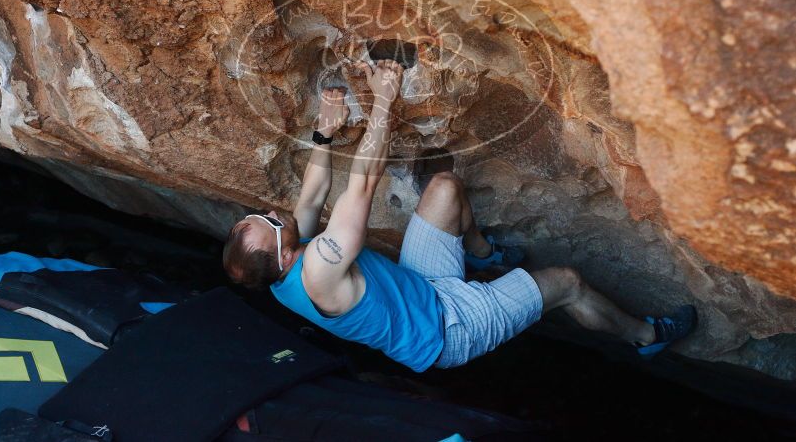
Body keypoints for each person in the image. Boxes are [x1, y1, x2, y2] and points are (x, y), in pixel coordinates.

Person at [222, 59, 696, 372]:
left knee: (446, 188)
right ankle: (646, 336)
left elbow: (311, 197)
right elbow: (361, 184)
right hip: (450, 328)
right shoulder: (320, 270)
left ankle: (485, 255)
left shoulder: (281, 265)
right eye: (270, 221)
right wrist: (383, 99)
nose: (271, 211)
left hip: (422, 287)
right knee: (567, 282)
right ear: (284, 251)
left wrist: (324, 132)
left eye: (260, 214)